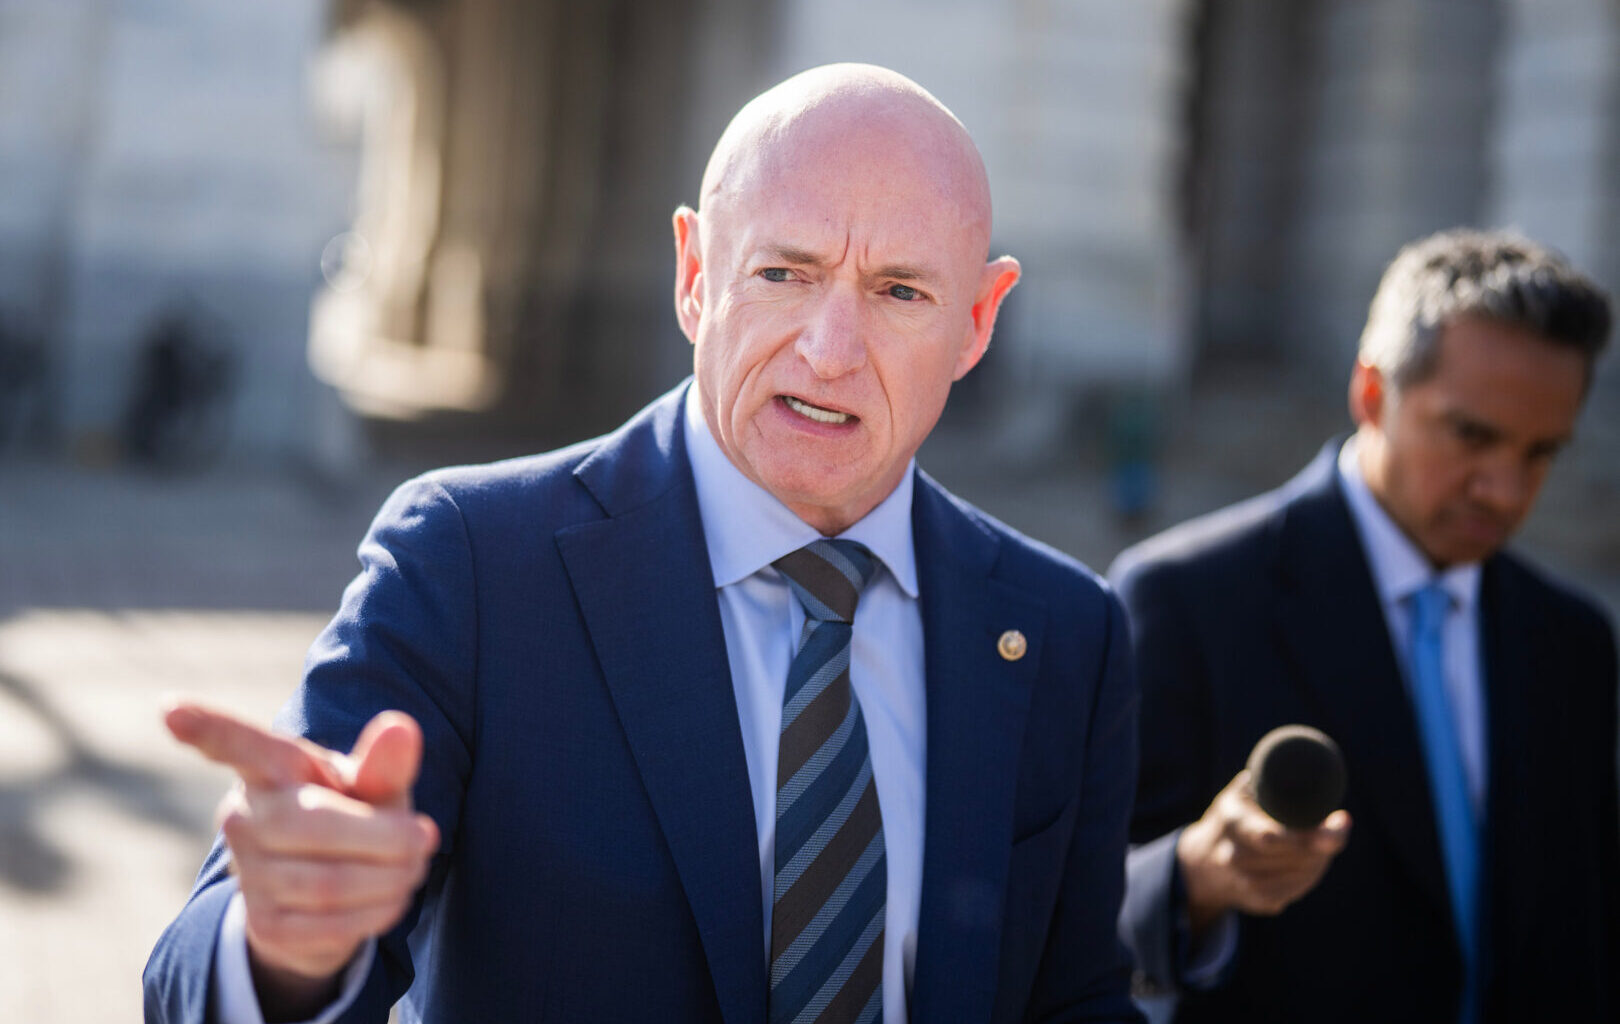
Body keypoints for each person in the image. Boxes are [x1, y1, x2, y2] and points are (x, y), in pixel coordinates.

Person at [143, 64, 1145, 1024]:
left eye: (900, 293)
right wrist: (283, 949)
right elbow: (202, 968)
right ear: (697, 275)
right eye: (783, 272)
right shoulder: (472, 564)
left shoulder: (1065, 629)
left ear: (976, 320)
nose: (830, 351)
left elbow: (1076, 1000)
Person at [1112, 228, 1618, 1022]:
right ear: (1372, 394)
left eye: (1542, 452)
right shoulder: (1184, 599)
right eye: (1473, 436)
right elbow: (1084, 916)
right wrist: (1202, 874)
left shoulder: (1573, 640)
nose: (1505, 488)